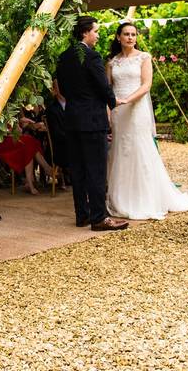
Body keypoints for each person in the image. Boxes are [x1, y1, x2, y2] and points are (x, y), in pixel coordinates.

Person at [105, 22, 188, 220]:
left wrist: (128, 100)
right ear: (118, 37)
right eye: (126, 34)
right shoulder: (112, 62)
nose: (130, 38)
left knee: (140, 149)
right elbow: (108, 89)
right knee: (120, 150)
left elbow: (146, 85)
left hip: (135, 108)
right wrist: (109, 110)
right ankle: (121, 197)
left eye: (133, 34)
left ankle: (146, 197)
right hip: (118, 110)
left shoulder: (144, 57)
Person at [54, 16, 128, 232]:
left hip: (73, 118)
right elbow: (104, 86)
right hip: (93, 120)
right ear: (85, 32)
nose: (97, 35)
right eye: (95, 31)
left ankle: (82, 215)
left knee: (78, 170)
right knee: (96, 170)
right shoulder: (92, 56)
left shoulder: (63, 57)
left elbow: (64, 90)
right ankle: (99, 218)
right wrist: (113, 101)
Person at [0, 113, 55, 195]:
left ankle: (32, 181)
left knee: (31, 144)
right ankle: (46, 169)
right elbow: (1, 133)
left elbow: (19, 131)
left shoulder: (11, 111)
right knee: (29, 142)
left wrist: (22, 123)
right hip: (1, 142)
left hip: (12, 140)